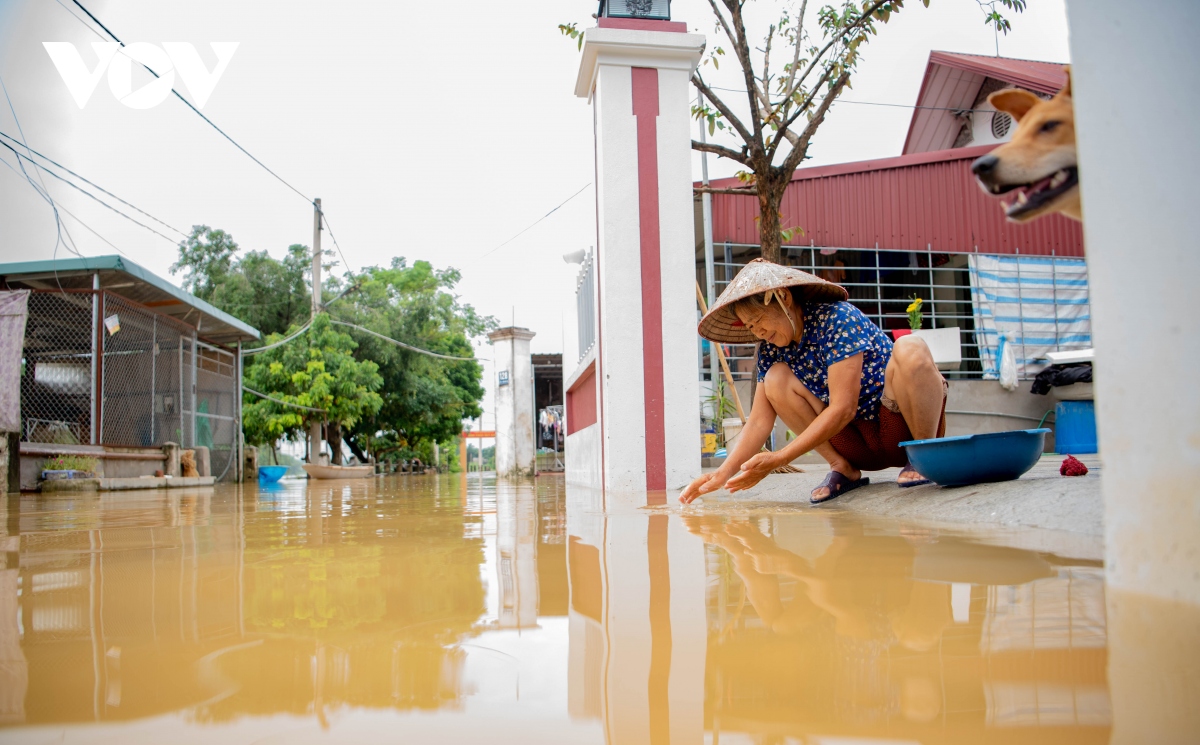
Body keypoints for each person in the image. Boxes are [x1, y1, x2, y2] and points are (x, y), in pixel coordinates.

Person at [682, 258, 947, 504]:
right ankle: (842, 468)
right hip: (855, 443)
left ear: (783, 298)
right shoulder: (771, 349)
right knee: (775, 379)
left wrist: (779, 458)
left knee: (911, 346)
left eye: (759, 320)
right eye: (750, 326)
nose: (758, 331)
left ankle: (923, 456)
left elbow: (844, 407)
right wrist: (721, 474)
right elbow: (759, 420)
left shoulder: (836, 318)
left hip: (900, 429)